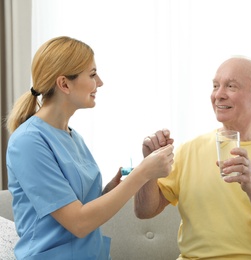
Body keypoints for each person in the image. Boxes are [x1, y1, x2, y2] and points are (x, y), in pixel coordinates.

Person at [6, 36, 174, 260]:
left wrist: (110, 191)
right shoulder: (27, 142)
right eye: (93, 74)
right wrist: (144, 172)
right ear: (64, 84)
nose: (100, 82)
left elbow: (81, 207)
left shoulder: (73, 137)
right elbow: (78, 222)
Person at [134, 56, 251, 259]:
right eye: (215, 86)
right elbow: (144, 211)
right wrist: (149, 164)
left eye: (231, 86)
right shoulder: (189, 150)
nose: (218, 95)